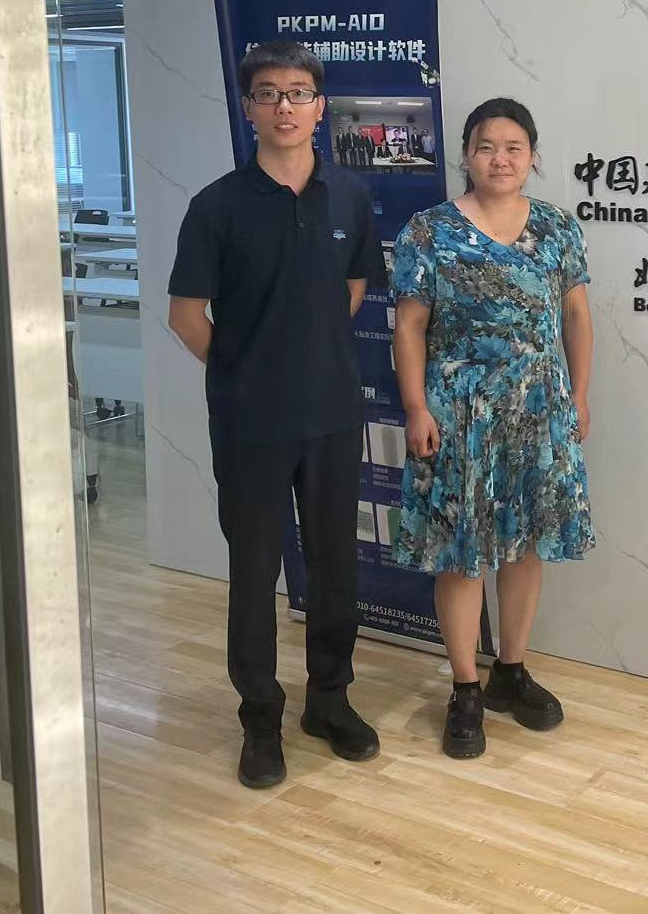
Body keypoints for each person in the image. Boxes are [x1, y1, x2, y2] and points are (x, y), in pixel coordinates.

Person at [167, 40, 386, 789]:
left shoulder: (349, 197)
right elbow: (186, 316)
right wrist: (246, 371)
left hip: (331, 415)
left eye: (299, 92)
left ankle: (329, 700)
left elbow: (353, 288)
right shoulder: (216, 206)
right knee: (255, 572)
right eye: (269, 93)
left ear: (321, 108)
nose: (285, 106)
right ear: (249, 108)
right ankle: (260, 718)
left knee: (334, 566)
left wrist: (306, 355)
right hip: (250, 425)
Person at [390, 97, 596, 759]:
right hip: (459, 414)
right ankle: (465, 688)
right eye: (486, 147)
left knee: (526, 543)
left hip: (539, 409)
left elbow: (577, 318)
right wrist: (416, 407)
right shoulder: (429, 231)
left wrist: (578, 395)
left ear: (532, 156)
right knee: (463, 550)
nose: (500, 159)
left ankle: (511, 670)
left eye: (513, 147)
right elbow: (409, 327)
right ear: (466, 155)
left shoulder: (557, 228)